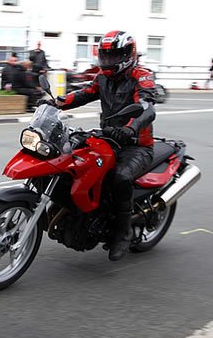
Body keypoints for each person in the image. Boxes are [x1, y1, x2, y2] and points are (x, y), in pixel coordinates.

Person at [54, 30, 156, 261]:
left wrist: (131, 127)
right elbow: (84, 94)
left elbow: (148, 107)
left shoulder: (141, 76)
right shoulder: (103, 77)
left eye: (113, 56)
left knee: (120, 177)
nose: (108, 61)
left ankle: (123, 232)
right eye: (105, 56)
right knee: (75, 163)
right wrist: (56, 103)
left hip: (136, 145)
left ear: (128, 55)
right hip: (108, 138)